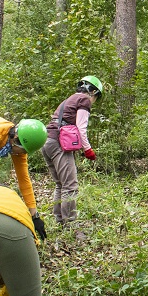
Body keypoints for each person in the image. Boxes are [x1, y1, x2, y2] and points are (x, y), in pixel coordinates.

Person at [40, 76, 103, 226]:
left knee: (60, 184)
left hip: (46, 140)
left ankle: (60, 220)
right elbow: (81, 127)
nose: (94, 101)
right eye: (96, 97)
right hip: (58, 144)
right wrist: (88, 150)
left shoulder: (69, 99)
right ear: (92, 91)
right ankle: (70, 226)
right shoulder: (84, 100)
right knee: (70, 185)